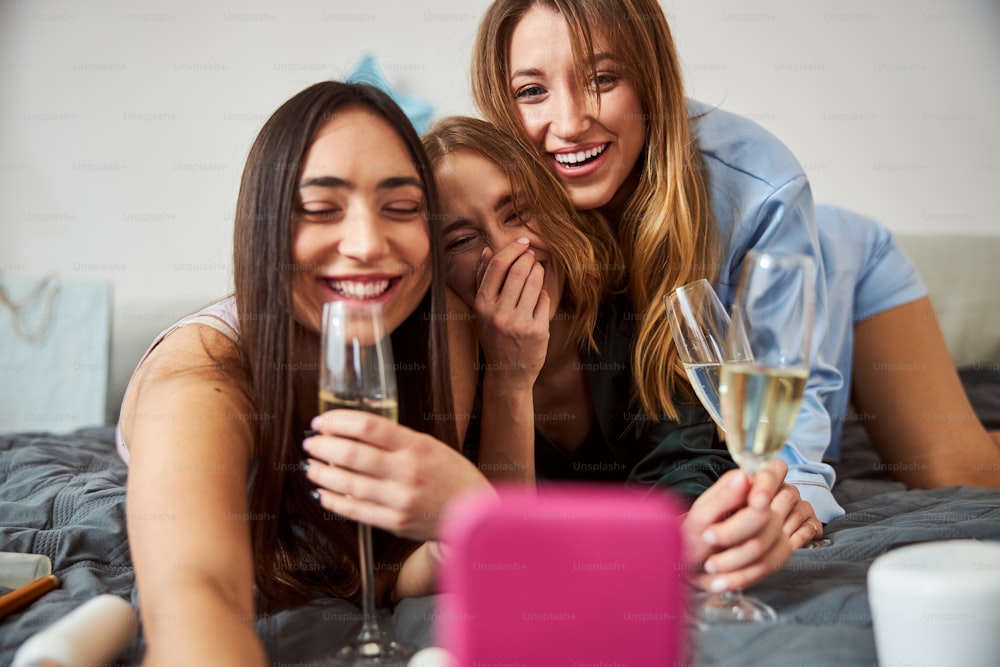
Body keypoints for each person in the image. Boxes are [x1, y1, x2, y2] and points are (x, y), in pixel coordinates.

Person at [469, 0, 1000, 523]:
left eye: (603, 79)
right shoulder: (499, 197)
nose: (570, 122)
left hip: (842, 272)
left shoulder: (761, 188)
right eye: (532, 91)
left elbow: (782, 411)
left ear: (650, 79)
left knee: (964, 468)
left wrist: (783, 504)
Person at [117, 81, 492, 666]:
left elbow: (390, 565)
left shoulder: (442, 326)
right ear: (265, 228)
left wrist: (468, 525)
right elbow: (196, 594)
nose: (368, 245)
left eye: (401, 208)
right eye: (321, 210)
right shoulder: (201, 376)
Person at [423, 115, 813, 593]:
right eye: (462, 240)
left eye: (517, 212)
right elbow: (505, 549)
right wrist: (510, 376)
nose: (507, 248)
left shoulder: (635, 314)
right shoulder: (448, 382)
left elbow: (690, 468)